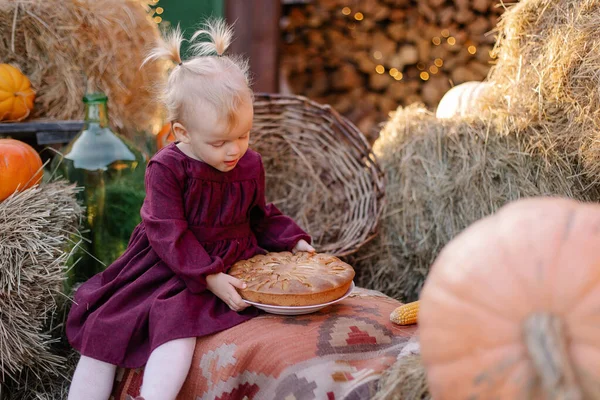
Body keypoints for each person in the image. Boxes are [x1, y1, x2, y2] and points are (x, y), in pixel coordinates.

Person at [65, 19, 314, 400]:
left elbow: (260, 215)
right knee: (108, 329)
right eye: (220, 142)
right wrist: (209, 277)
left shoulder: (249, 163)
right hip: (170, 263)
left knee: (177, 329)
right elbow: (166, 231)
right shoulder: (166, 167)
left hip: (231, 261)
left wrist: (294, 242)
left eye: (243, 136)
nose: (234, 150)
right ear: (182, 132)